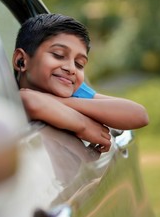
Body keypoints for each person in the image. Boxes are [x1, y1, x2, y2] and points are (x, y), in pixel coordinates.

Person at [12, 13, 149, 153]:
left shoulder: (72, 91)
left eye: (79, 64)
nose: (71, 68)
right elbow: (28, 101)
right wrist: (82, 125)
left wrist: (54, 101)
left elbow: (139, 115)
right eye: (58, 55)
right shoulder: (2, 89)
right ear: (21, 60)